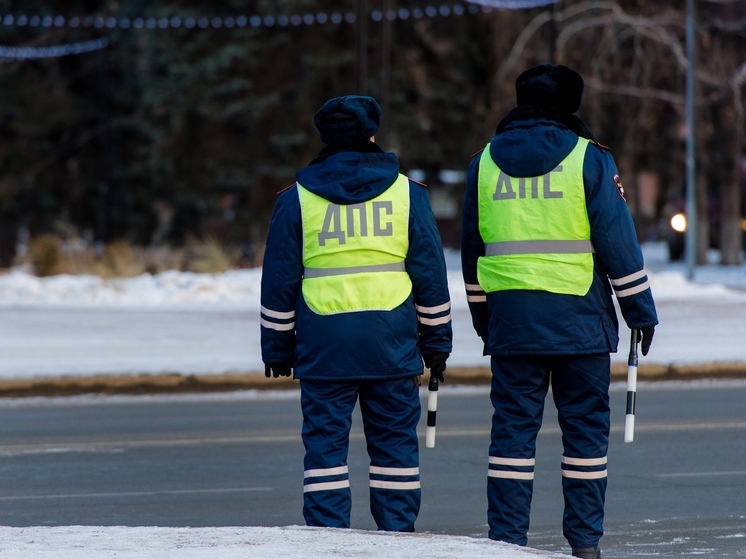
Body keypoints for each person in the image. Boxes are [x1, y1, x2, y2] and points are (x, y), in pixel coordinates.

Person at [460, 64, 658, 559]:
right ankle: (585, 545)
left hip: (512, 323)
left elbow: (471, 252)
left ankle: (506, 543)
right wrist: (640, 310)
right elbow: (618, 242)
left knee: (510, 440)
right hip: (580, 324)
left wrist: (487, 321)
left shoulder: (482, 163)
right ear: (572, 105)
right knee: (586, 439)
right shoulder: (588, 159)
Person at [260, 95, 453, 532]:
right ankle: (397, 540)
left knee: (325, 452)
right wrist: (437, 342)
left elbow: (279, 280)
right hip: (391, 343)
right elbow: (429, 275)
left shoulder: (297, 199)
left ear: (324, 138)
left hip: (324, 345)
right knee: (395, 450)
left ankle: (329, 542)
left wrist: (276, 346)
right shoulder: (406, 193)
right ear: (372, 134)